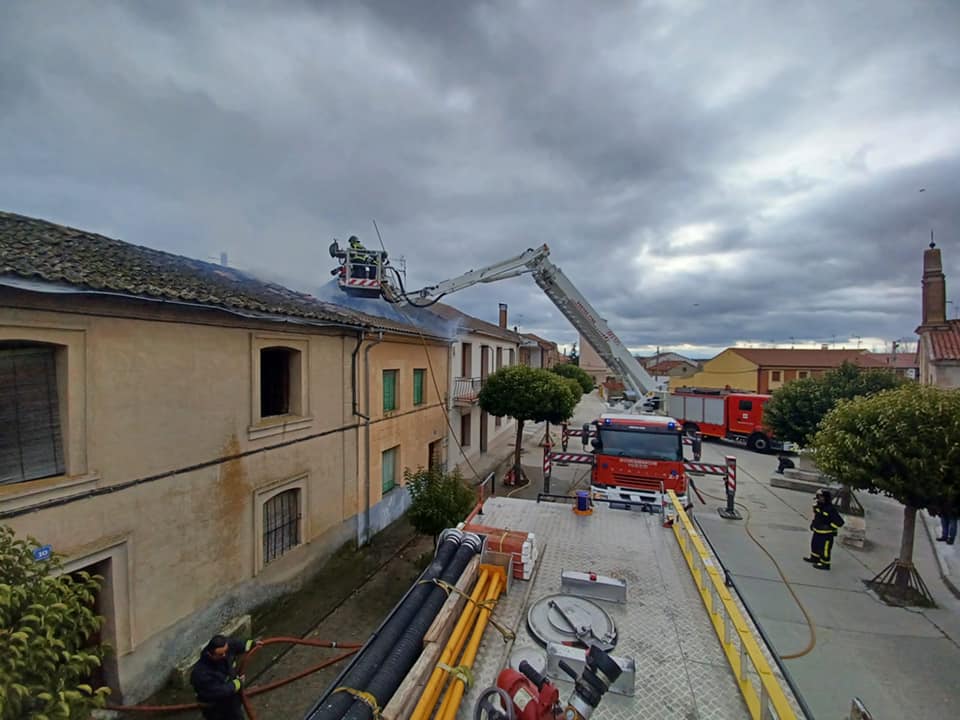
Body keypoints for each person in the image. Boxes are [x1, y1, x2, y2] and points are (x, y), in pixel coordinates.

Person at [190, 635, 262, 719]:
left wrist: (252, 644)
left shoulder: (225, 648)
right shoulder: (201, 674)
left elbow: (237, 644)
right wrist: (237, 683)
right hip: (216, 707)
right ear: (210, 654)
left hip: (232, 699)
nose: (224, 655)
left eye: (226, 651)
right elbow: (219, 691)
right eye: (220, 654)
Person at [803, 489, 844, 570]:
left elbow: (840, 522)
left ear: (826, 498)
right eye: (818, 496)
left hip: (826, 534)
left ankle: (825, 564)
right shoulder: (818, 506)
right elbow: (817, 517)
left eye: (821, 497)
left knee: (824, 549)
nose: (819, 498)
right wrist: (813, 524)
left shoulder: (830, 509)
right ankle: (814, 558)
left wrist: (829, 526)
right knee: (814, 545)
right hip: (817, 531)